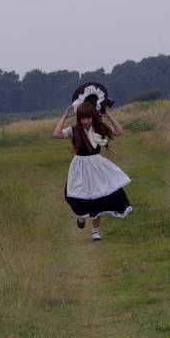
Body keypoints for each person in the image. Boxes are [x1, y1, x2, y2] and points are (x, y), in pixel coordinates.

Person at [52, 90, 132, 240]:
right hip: (79, 166)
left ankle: (95, 231)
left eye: (88, 118)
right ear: (79, 118)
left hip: (96, 165)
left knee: (98, 196)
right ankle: (81, 216)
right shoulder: (74, 130)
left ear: (92, 116)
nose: (86, 121)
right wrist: (65, 116)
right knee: (75, 195)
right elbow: (56, 134)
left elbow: (119, 131)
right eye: (82, 118)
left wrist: (108, 115)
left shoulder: (99, 128)